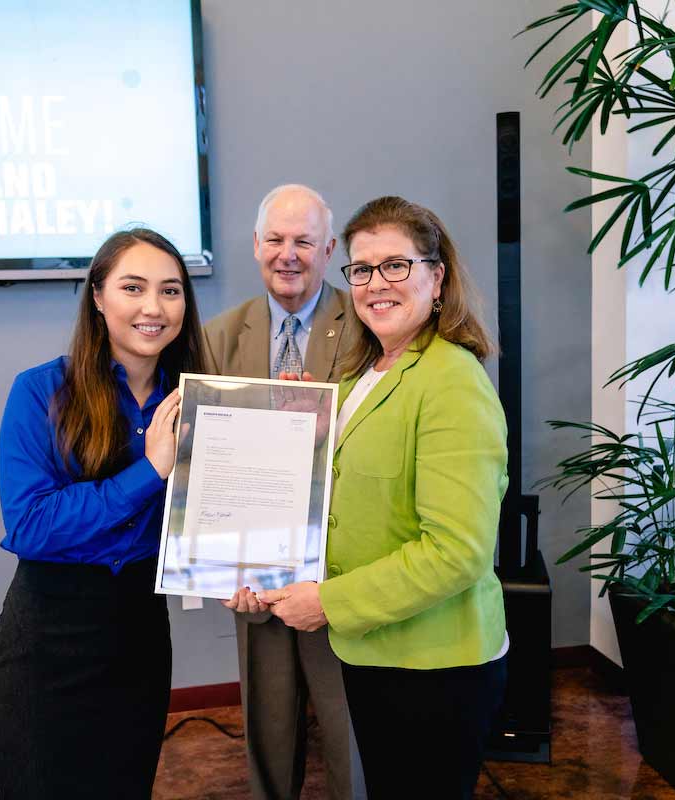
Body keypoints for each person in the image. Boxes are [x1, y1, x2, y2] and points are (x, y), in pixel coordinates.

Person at [259, 196, 509, 799]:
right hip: (375, 650)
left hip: (436, 664)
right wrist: (302, 429)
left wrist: (328, 602)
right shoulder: (360, 373)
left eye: (396, 265)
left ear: (437, 275)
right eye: (362, 269)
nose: (376, 284)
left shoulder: (451, 380)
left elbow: (457, 552)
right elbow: (347, 497)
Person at [0, 228, 204, 799]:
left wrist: (288, 426)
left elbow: (220, 516)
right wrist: (149, 470)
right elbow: (32, 525)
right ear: (98, 297)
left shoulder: (199, 401)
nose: (154, 308)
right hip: (49, 639)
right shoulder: (40, 392)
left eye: (171, 291)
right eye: (133, 287)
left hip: (139, 631)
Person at [202, 184, 360, 800]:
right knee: (268, 719)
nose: (287, 254)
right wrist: (219, 565)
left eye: (303, 241)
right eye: (275, 240)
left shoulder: (365, 325)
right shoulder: (220, 335)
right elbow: (207, 459)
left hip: (340, 560)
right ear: (255, 247)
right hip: (255, 563)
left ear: (328, 248)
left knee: (347, 718)